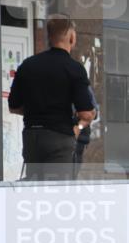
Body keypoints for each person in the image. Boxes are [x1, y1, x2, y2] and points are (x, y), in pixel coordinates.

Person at [7, 14, 96, 180]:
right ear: (72, 37)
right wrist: (79, 128)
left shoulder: (27, 65)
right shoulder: (74, 69)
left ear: (49, 37)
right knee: (56, 193)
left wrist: (36, 112)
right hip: (59, 138)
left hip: (32, 138)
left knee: (34, 188)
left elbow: (13, 106)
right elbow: (86, 114)